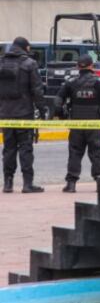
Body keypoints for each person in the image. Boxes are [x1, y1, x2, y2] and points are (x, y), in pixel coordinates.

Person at [56, 55, 100, 193]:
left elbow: (58, 101)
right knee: (97, 153)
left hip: (77, 123)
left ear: (77, 67)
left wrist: (62, 116)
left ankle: (71, 184)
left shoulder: (70, 83)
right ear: (92, 66)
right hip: (94, 124)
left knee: (75, 153)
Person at [1, 37, 47, 193]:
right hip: (24, 114)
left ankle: (8, 183)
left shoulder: (1, 63)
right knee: (26, 148)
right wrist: (42, 110)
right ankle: (27, 184)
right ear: (24, 47)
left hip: (5, 115)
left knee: (8, 148)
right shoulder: (29, 64)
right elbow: (37, 90)